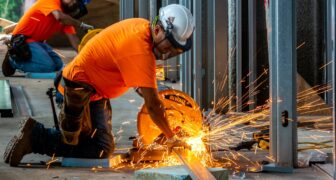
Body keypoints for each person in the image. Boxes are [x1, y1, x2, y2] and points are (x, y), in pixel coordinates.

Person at [4, 4, 195, 167]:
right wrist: (172, 137)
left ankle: (43, 136)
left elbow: (143, 86)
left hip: (95, 91)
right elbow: (153, 105)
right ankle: (34, 137)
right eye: (169, 45)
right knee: (93, 148)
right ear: (157, 30)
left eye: (175, 49)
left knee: (104, 146)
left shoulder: (141, 27)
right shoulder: (140, 50)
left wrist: (161, 113)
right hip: (77, 90)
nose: (169, 51)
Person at [1, 0, 94, 77]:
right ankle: (12, 60)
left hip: (38, 43)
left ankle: (27, 59)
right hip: (22, 40)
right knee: (48, 67)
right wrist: (81, 25)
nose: (72, 2)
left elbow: (75, 42)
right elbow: (59, 16)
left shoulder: (66, 18)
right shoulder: (51, 2)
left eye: (75, 2)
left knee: (58, 65)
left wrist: (87, 61)